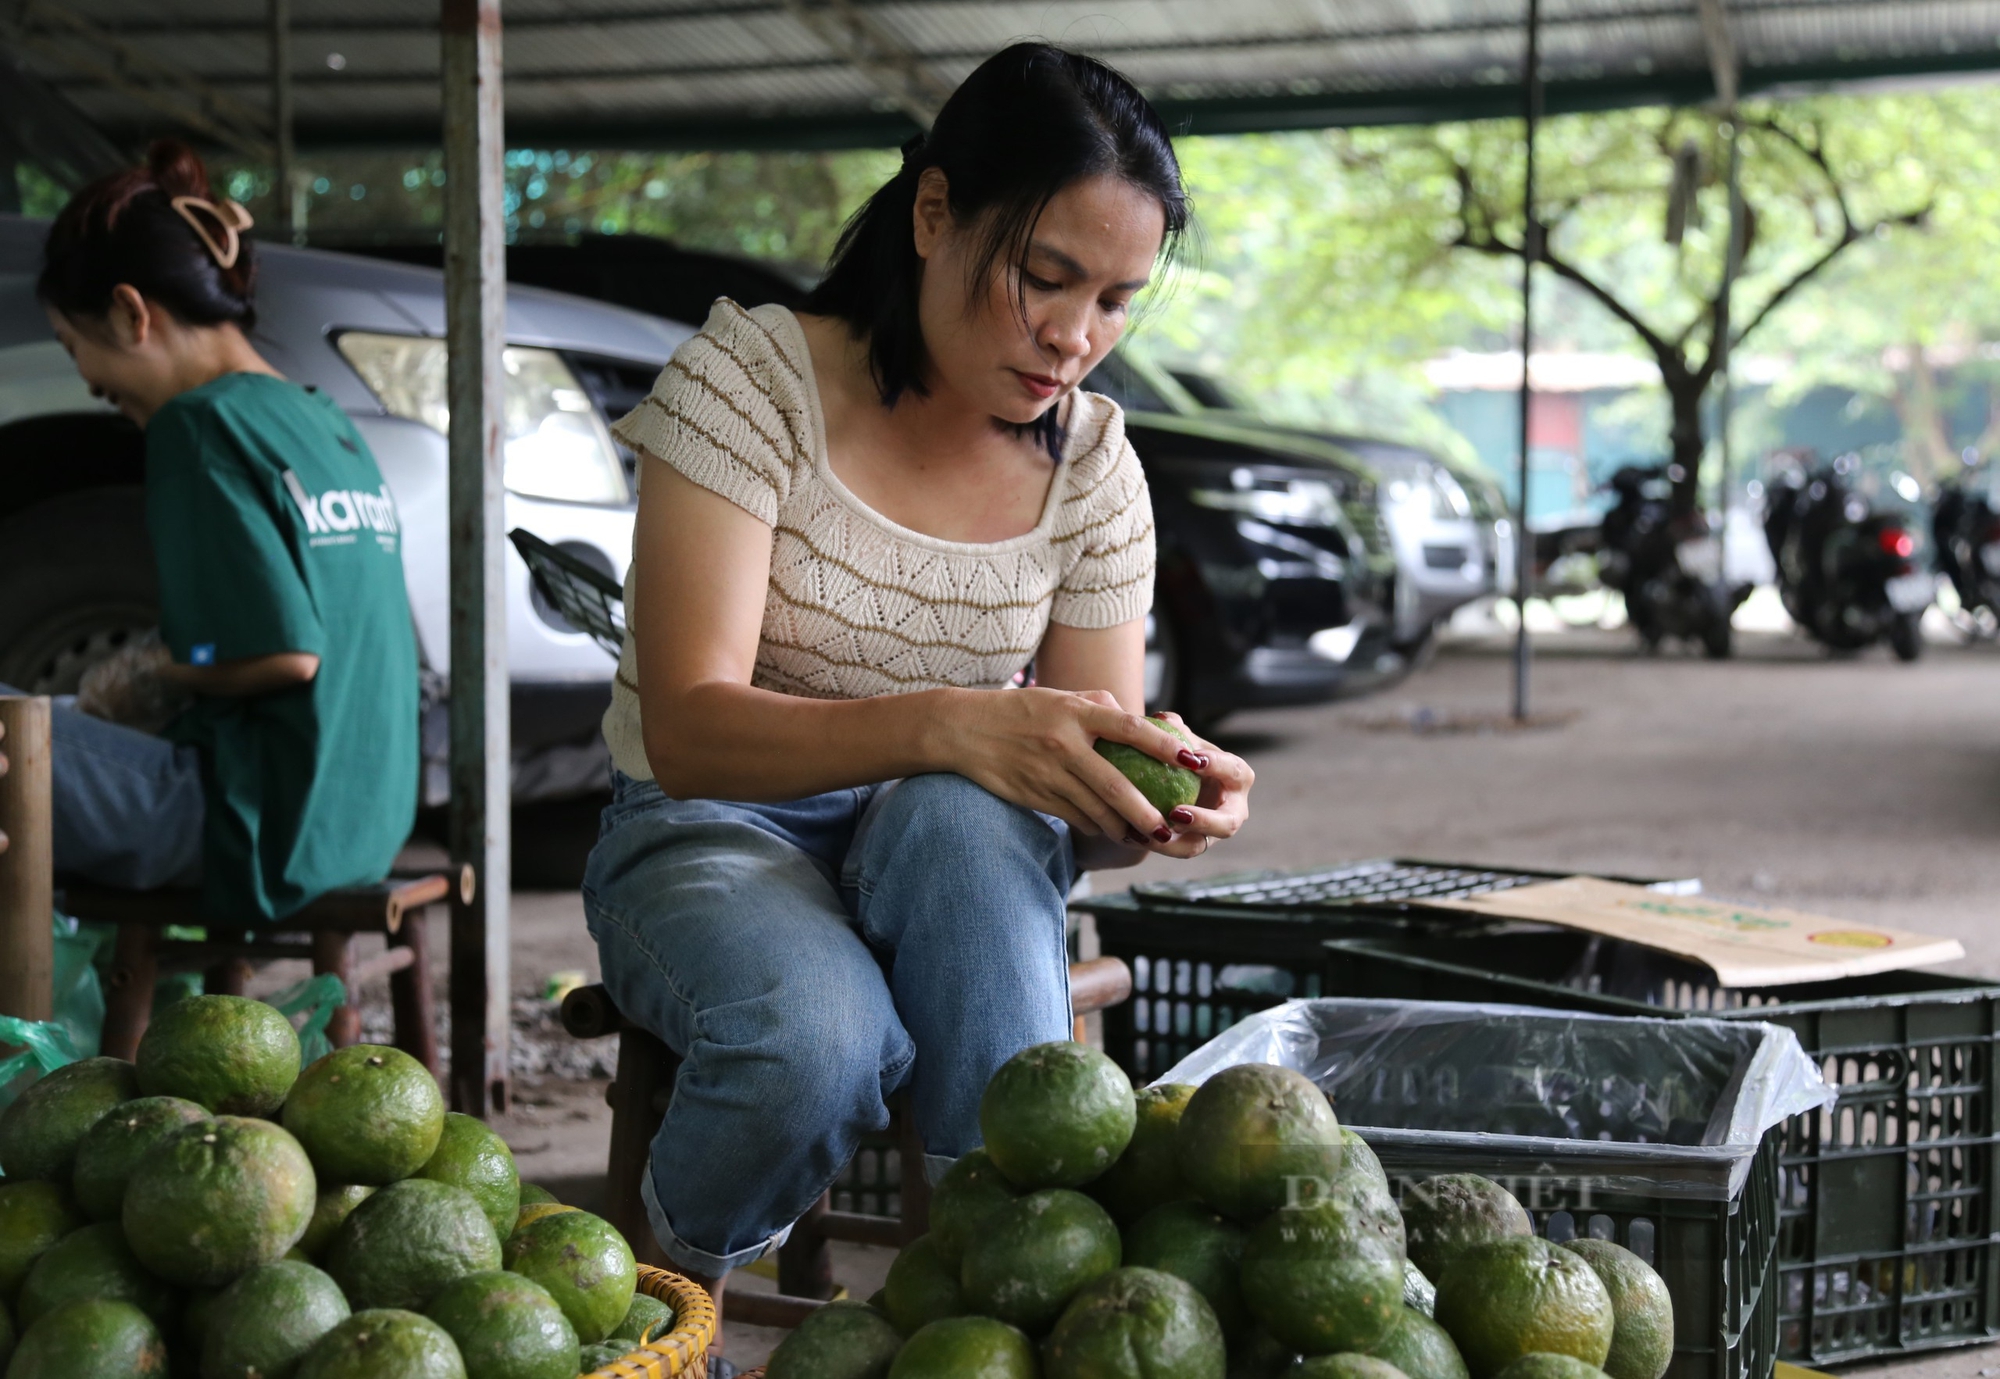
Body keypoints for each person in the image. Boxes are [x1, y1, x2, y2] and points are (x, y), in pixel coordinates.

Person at [585, 42, 1255, 1313]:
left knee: (968, 817)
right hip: (706, 828)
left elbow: (1071, 771)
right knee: (815, 1043)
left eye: (1114, 300)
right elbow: (686, 732)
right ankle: (666, 1297)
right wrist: (956, 724)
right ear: (935, 214)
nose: (1074, 336)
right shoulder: (750, 384)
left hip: (947, 856)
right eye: (1045, 277)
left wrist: (1156, 795)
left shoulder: (1096, 471)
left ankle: (997, 1291)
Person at [4, 139, 419, 923]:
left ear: (131, 313)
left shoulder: (198, 426)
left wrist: (156, 671)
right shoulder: (319, 419)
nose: (90, 383)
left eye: (75, 348)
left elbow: (278, 654)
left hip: (248, 827)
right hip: (356, 827)